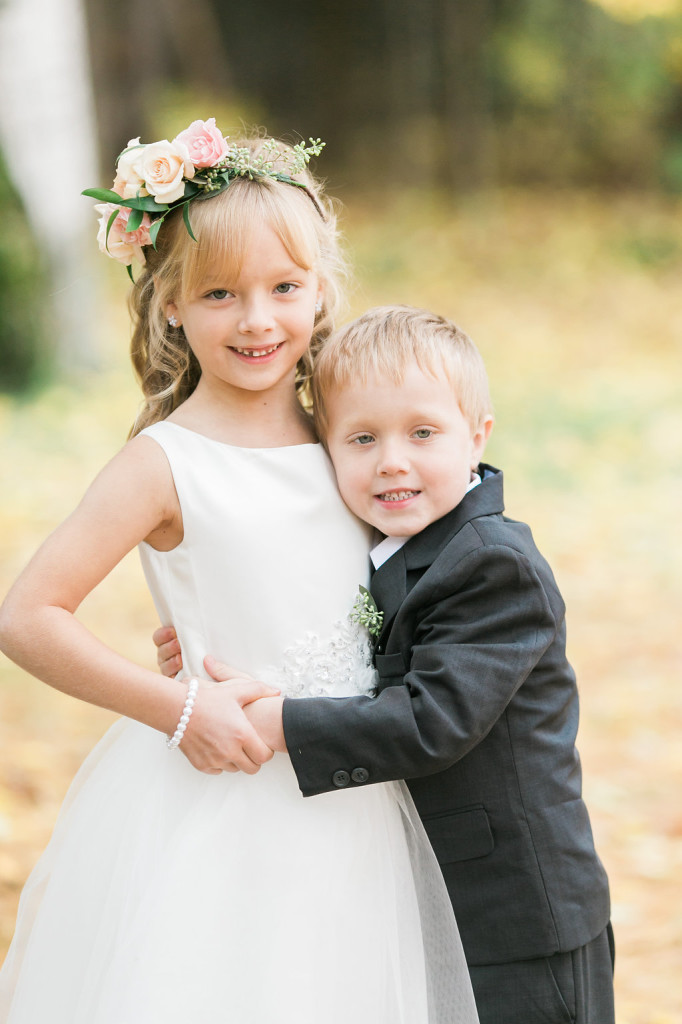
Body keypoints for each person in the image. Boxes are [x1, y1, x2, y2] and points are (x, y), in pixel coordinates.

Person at [0, 124, 479, 1024]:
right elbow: (28, 616)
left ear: (321, 290)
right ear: (170, 305)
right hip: (222, 798)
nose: (258, 320)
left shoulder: (346, 434)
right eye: (220, 293)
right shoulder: (165, 462)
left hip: (354, 796)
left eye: (284, 288)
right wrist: (179, 705)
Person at [159, 305, 616, 1024]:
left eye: (422, 433)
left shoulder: (494, 565)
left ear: (478, 436)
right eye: (362, 438)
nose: (392, 461)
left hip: (519, 916)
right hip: (431, 901)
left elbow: (431, 721)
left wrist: (277, 722)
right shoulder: (385, 547)